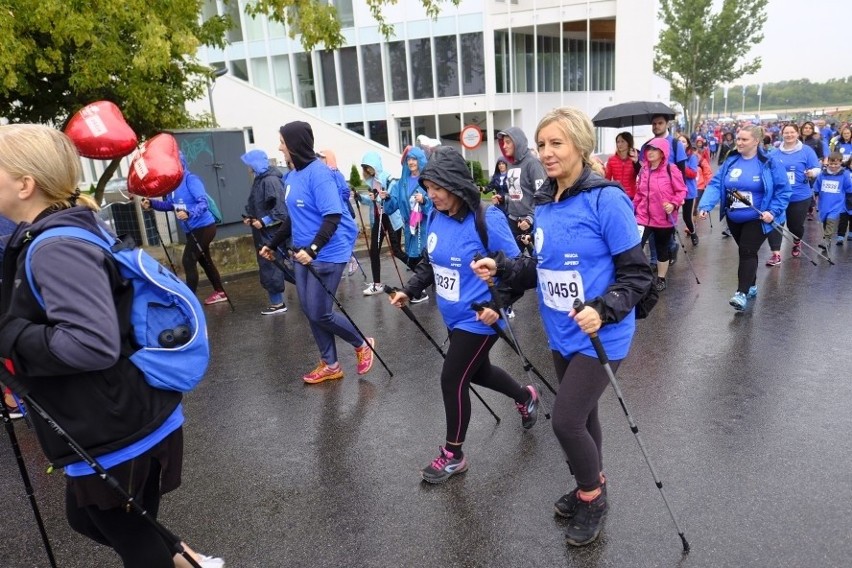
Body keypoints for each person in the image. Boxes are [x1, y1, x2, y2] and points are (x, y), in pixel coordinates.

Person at [0, 124, 223, 568]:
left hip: (115, 427)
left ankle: (178, 561)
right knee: (89, 519)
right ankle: (185, 560)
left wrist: (9, 334)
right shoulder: (66, 227)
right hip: (121, 415)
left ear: (25, 184)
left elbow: (91, 344)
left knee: (130, 539)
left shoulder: (55, 246)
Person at [471, 107, 653, 546]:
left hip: (600, 334)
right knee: (584, 416)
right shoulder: (547, 202)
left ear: (580, 146)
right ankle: (591, 480)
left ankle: (593, 497)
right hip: (561, 333)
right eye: (542, 144)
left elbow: (638, 275)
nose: (547, 153)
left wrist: (605, 308)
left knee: (566, 421)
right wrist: (501, 272)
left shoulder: (606, 200)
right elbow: (541, 266)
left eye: (557, 143)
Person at [387, 146, 540, 485]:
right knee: (478, 372)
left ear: (455, 184)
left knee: (452, 378)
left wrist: (498, 307)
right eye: (427, 188)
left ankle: (453, 455)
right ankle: (525, 396)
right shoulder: (435, 216)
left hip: (481, 317)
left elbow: (518, 271)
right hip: (452, 317)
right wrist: (409, 290)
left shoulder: (487, 219)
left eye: (437, 188)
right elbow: (431, 262)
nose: (431, 195)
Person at [260, 121, 375, 384]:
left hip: (327, 252)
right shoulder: (292, 176)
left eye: (282, 141)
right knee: (310, 310)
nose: (279, 147)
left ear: (295, 144)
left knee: (320, 311)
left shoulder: (318, 174)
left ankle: (362, 343)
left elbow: (332, 216)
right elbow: (293, 218)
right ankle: (331, 364)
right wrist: (273, 243)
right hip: (302, 253)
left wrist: (313, 249)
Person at [698, 124, 791, 310]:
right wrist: (706, 205)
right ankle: (752, 285)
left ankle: (741, 293)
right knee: (747, 251)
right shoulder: (731, 160)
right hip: (734, 217)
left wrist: (772, 211)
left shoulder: (769, 162)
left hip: (758, 217)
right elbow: (717, 184)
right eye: (738, 139)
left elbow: (783, 190)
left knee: (747, 251)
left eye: (744, 139)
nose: (739, 142)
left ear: (756, 141)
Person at [141, 153, 227, 306]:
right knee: (204, 260)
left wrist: (189, 213)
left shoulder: (190, 179)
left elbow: (203, 203)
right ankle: (220, 292)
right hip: (191, 229)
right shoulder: (173, 184)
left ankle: (188, 300)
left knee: (188, 260)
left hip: (204, 226)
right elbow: (170, 205)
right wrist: (152, 204)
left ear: (180, 163)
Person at [240, 149, 290, 315]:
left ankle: (278, 304)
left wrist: (263, 221)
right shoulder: (260, 180)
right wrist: (251, 218)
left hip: (272, 233)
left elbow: (281, 210)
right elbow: (260, 205)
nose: (247, 168)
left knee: (274, 266)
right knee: (274, 266)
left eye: (248, 164)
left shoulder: (270, 181)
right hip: (264, 233)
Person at [634, 137, 687, 291]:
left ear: (662, 152)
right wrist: (632, 209)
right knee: (635, 246)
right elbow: (639, 193)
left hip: (663, 219)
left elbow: (681, 190)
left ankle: (661, 278)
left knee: (661, 249)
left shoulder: (671, 169)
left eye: (654, 149)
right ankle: (636, 277)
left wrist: (673, 204)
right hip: (643, 217)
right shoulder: (643, 170)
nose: (650, 153)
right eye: (648, 149)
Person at [765, 123, 821, 266]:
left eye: (792, 132)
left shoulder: (806, 151)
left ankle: (797, 241)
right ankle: (776, 254)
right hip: (778, 196)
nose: (789, 135)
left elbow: (817, 168)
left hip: (799, 195)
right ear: (782, 134)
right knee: (775, 223)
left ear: (797, 134)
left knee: (794, 226)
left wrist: (811, 173)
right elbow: (766, 171)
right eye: (786, 133)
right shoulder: (774, 153)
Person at [382, 146, 431, 302]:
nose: (411, 162)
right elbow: (391, 207)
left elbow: (437, 203)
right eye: (408, 159)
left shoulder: (428, 180)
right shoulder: (400, 183)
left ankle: (420, 290)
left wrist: (424, 201)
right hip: (409, 226)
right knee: (413, 257)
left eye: (414, 159)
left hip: (424, 226)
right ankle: (421, 287)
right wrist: (387, 197)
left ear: (420, 160)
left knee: (424, 255)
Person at [356, 151, 404, 295]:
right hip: (379, 218)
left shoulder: (388, 178)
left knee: (397, 251)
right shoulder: (371, 182)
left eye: (369, 167)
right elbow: (373, 201)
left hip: (391, 217)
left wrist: (376, 197)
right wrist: (360, 197)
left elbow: (390, 200)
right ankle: (376, 284)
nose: (367, 170)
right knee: (374, 251)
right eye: (365, 168)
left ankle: (422, 274)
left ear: (375, 166)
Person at [496, 127, 548, 254]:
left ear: (517, 142)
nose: (505, 145)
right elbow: (516, 192)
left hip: (530, 224)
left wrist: (530, 218)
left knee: (537, 260)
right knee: (513, 261)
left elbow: (542, 195)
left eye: (508, 142)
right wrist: (503, 198)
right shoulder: (510, 164)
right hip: (512, 220)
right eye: (503, 142)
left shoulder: (533, 163)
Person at [814, 152, 852, 251]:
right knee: (825, 221)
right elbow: (817, 186)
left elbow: (849, 188)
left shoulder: (845, 174)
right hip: (824, 203)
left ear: (840, 163)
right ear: (828, 163)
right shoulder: (823, 174)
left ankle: (826, 239)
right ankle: (828, 239)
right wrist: (815, 194)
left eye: (836, 164)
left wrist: (849, 200)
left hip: (837, 203)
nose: (833, 166)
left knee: (831, 221)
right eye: (831, 164)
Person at [676, 134, 699, 246]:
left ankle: (693, 233)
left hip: (689, 191)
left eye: (683, 141)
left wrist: (681, 165)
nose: (681, 143)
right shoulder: (673, 156)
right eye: (679, 141)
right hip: (675, 191)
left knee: (686, 217)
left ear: (688, 144)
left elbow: (693, 173)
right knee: (671, 216)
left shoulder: (692, 157)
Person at [604, 131, 639, 200]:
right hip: (617, 195)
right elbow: (607, 178)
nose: (619, 144)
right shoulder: (611, 159)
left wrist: (636, 162)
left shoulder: (634, 159)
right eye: (618, 142)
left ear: (629, 143)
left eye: (623, 141)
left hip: (632, 196)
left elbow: (642, 175)